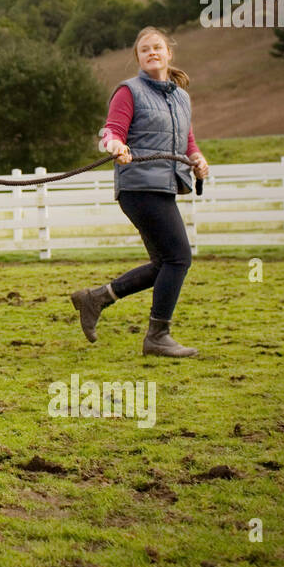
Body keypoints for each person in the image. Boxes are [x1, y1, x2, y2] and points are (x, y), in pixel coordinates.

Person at [70, 27, 209, 357]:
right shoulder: (128, 92)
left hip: (163, 185)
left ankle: (96, 298)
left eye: (157, 47)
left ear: (168, 53)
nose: (152, 52)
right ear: (138, 57)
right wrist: (115, 146)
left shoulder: (180, 96)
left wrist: (198, 159)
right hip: (138, 186)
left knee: (164, 262)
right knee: (179, 258)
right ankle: (157, 336)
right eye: (144, 49)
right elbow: (110, 132)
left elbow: (187, 142)